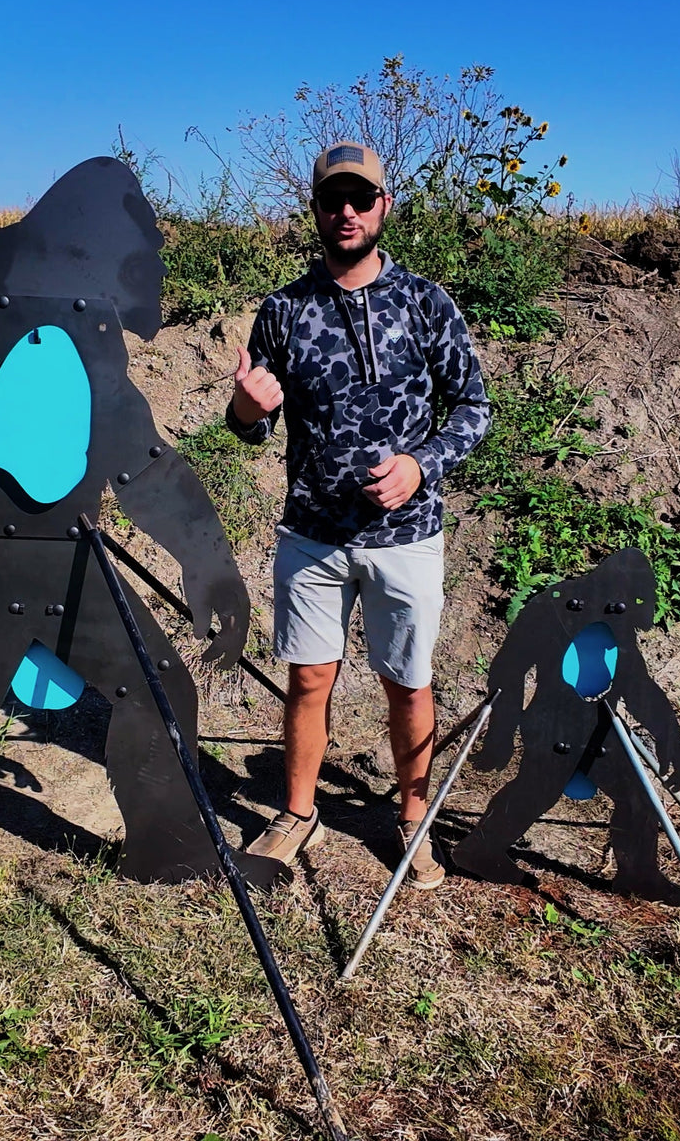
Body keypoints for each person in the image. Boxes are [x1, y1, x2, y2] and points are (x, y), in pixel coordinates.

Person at [226, 141, 491, 888]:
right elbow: (250, 420)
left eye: (360, 198)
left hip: (406, 538)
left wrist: (420, 465)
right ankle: (299, 812)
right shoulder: (283, 311)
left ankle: (412, 821)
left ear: (384, 207)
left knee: (407, 683)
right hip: (312, 534)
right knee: (309, 679)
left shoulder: (426, 303)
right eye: (331, 200)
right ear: (313, 210)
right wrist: (247, 408)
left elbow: (474, 408)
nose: (346, 211)